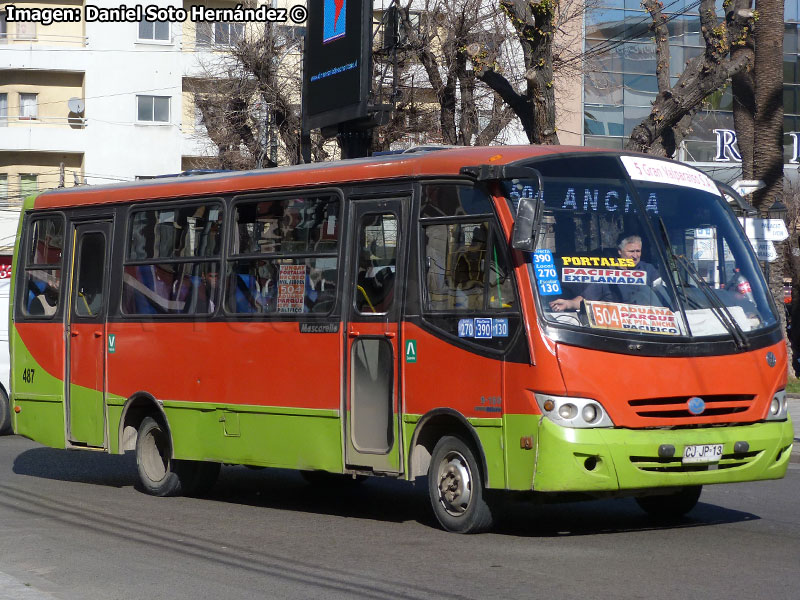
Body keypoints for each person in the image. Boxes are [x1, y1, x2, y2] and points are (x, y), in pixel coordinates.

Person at [550, 234, 660, 311]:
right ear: (620, 252)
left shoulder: (649, 270)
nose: (635, 256)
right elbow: (585, 299)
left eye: (638, 251)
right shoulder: (608, 274)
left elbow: (663, 292)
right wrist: (568, 304)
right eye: (631, 251)